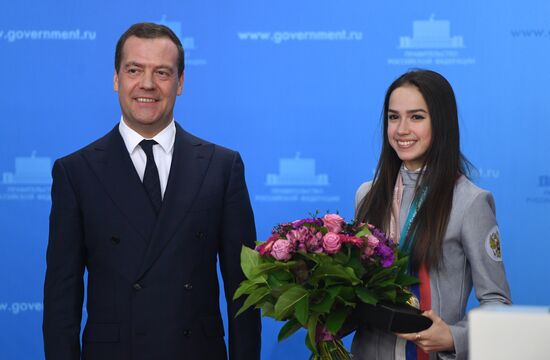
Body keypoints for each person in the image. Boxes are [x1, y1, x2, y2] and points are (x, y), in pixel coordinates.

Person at [43, 22, 261, 360]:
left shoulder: (222, 167)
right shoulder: (76, 172)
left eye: (162, 72)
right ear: (116, 79)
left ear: (180, 82)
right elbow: (61, 299)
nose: (147, 84)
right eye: (134, 70)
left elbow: (244, 291)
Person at [351, 69, 511, 360]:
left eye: (416, 117)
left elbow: (497, 302)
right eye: (393, 117)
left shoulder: (471, 202)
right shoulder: (367, 195)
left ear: (442, 123)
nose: (401, 130)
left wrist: (454, 337)